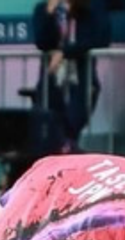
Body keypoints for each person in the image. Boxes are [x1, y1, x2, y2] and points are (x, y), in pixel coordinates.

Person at [32, 0, 110, 153]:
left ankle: (69, 153)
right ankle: (63, 155)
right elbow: (42, 42)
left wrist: (66, 52)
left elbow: (100, 38)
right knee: (52, 125)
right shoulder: (42, 9)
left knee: (73, 124)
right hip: (52, 79)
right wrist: (49, 14)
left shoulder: (91, 7)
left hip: (82, 77)